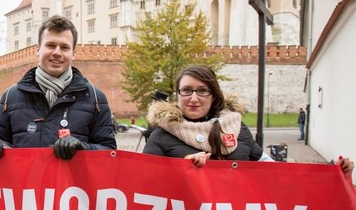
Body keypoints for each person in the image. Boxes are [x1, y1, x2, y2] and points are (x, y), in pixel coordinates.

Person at [142, 65, 354, 175]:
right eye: (186, 90)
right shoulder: (162, 135)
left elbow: (274, 172)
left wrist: (330, 171)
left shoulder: (235, 128)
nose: (194, 98)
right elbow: (144, 186)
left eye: (202, 90)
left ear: (214, 95)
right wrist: (182, 170)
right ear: (177, 95)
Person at [0, 15, 116, 160]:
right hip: (26, 182)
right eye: (50, 45)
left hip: (71, 183)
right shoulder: (11, 96)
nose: (57, 52)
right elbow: (1, 140)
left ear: (73, 53)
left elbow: (109, 151)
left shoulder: (94, 97)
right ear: (38, 49)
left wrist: (83, 148)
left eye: (64, 47)